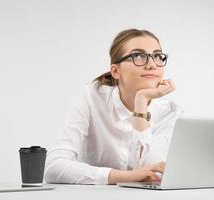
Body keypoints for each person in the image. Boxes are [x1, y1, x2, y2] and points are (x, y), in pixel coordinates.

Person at [44, 29, 183, 185]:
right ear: (116, 71)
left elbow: (151, 176)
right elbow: (53, 168)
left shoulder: (171, 113)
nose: (152, 65)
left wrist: (141, 102)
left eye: (157, 56)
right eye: (138, 56)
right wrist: (124, 177)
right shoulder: (91, 97)